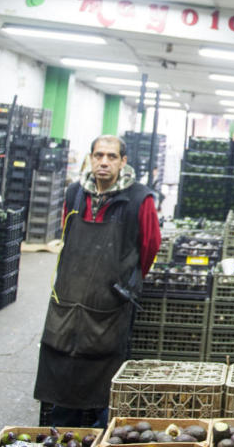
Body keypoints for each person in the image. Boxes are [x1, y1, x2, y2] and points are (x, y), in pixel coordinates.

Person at [34, 135, 161, 427]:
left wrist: (123, 283)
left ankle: (101, 432)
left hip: (109, 305)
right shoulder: (75, 194)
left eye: (112, 156)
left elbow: (150, 246)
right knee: (61, 365)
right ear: (90, 158)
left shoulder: (139, 199)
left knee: (103, 373)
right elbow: (66, 238)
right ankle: (63, 431)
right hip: (67, 301)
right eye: (99, 155)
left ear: (123, 161)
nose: (104, 162)